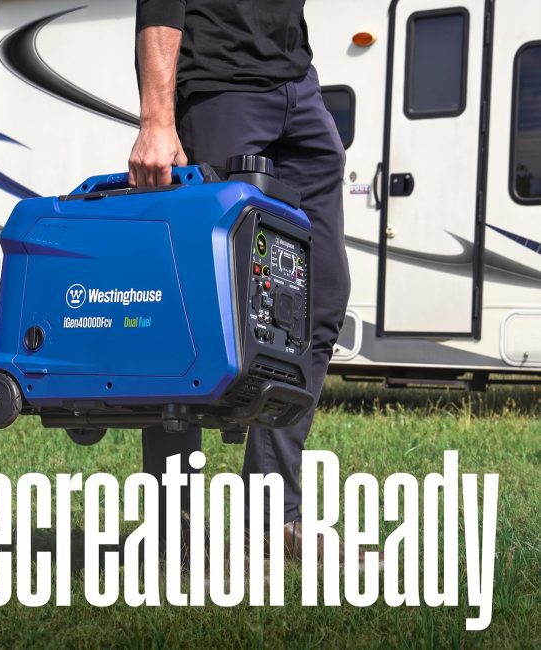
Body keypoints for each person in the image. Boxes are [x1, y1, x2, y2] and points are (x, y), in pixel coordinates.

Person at [129, 0, 350, 560]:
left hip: (297, 82)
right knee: (200, 313)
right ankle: (170, 531)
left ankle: (274, 519)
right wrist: (157, 119)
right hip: (218, 87)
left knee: (319, 297)